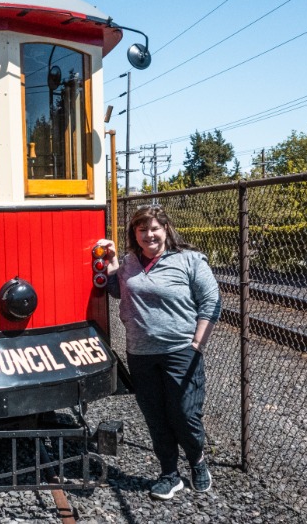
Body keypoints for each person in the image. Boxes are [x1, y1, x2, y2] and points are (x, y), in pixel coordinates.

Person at [97, 205, 221, 500]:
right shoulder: (129, 262)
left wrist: (197, 344)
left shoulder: (189, 260)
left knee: (184, 414)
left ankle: (197, 461)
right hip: (140, 353)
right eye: (142, 230)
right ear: (135, 234)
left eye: (154, 229)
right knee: (155, 416)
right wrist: (112, 261)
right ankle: (169, 474)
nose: (149, 235)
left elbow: (211, 301)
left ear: (166, 230)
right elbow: (116, 290)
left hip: (181, 351)